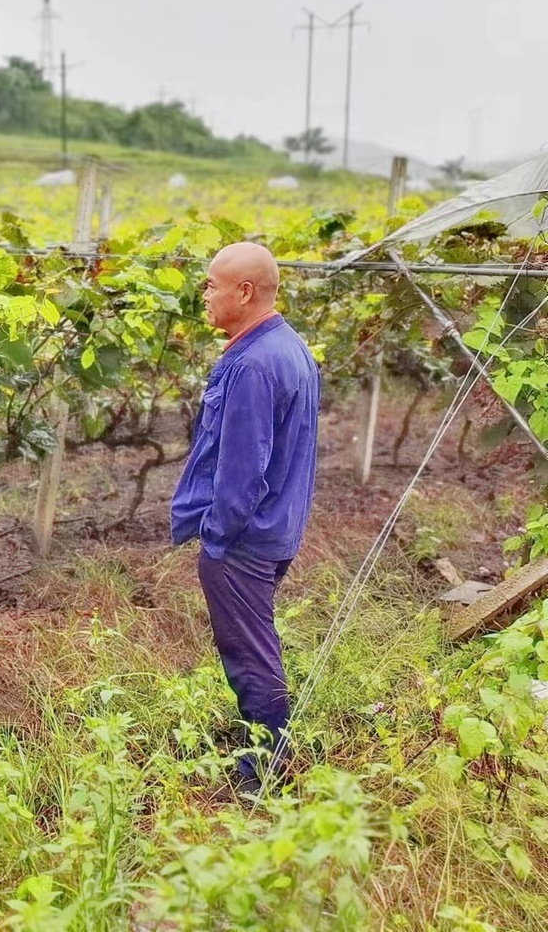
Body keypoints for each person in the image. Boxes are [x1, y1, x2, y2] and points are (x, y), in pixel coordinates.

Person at [170, 241, 320, 793]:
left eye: (211, 284)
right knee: (257, 642)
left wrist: (216, 539)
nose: (204, 294)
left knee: (249, 653)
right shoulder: (287, 347)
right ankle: (269, 752)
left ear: (245, 291)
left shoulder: (254, 364)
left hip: (245, 541)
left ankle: (265, 771)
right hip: (276, 529)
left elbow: (241, 470)